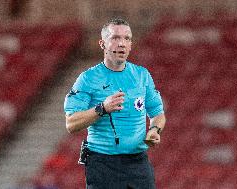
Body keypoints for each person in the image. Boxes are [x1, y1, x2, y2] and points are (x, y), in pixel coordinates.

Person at [64, 18, 166, 189]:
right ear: (102, 44)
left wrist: (154, 130)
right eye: (115, 38)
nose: (122, 44)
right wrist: (102, 108)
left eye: (127, 39)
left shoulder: (142, 75)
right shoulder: (88, 79)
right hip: (103, 164)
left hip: (138, 163)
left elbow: (157, 114)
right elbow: (71, 123)